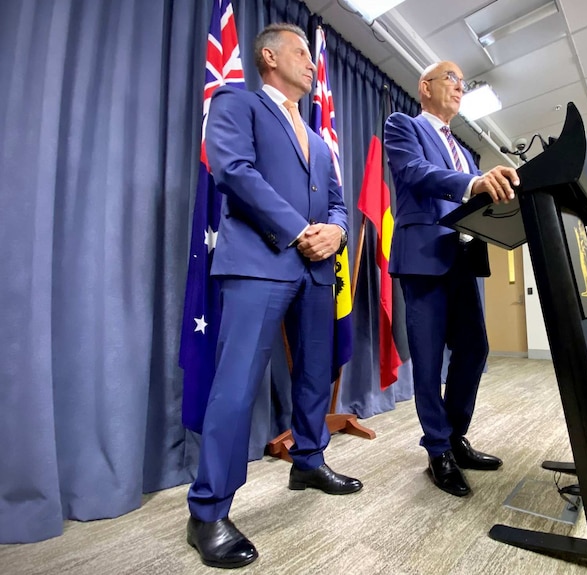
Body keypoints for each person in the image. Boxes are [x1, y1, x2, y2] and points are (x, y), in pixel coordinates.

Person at [185, 23, 361, 569]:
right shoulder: (236, 103)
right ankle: (208, 511)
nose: (312, 63)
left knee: (314, 373)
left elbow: (337, 200)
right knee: (236, 385)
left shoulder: (316, 137)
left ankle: (308, 460)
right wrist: (301, 230)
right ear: (268, 56)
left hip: (316, 270)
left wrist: (335, 230)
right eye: (302, 52)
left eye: (312, 54)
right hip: (260, 263)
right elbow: (232, 170)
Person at [383, 61, 520, 497]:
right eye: (452, 80)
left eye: (464, 83)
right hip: (424, 257)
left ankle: (455, 437)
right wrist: (474, 183)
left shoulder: (464, 149)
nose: (461, 87)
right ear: (425, 87)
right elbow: (415, 174)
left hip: (464, 258)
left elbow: (472, 197)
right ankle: (437, 450)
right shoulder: (403, 126)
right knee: (427, 360)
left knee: (475, 347)